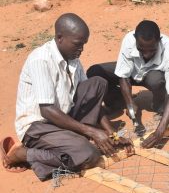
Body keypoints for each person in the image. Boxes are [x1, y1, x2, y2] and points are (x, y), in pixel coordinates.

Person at [0, 13, 133, 181]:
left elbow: (92, 102)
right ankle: (25, 154)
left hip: (62, 118)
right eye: (78, 44)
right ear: (59, 37)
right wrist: (91, 131)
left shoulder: (73, 59)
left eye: (84, 44)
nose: (81, 50)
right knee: (88, 155)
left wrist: (112, 134)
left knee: (97, 83)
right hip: (38, 127)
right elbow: (47, 110)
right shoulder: (41, 60)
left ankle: (72, 140)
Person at [87, 20, 169, 149]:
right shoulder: (129, 40)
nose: (146, 54)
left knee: (157, 80)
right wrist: (129, 102)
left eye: (152, 50)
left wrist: (159, 132)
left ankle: (159, 105)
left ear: (159, 41)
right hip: (134, 73)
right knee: (95, 71)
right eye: (141, 49)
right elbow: (123, 75)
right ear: (135, 40)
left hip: (152, 76)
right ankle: (116, 102)